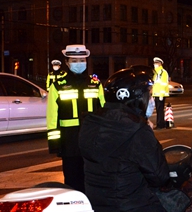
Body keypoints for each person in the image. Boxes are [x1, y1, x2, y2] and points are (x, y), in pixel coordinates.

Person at [79, 65, 170, 212]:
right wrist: (149, 133)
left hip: (97, 204)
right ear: (135, 98)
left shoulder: (91, 123)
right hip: (133, 205)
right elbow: (159, 176)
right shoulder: (137, 130)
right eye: (149, 95)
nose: (152, 100)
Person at [46, 44, 105, 193]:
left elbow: (105, 111)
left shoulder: (95, 84)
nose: (79, 63)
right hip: (69, 142)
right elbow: (52, 116)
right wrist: (55, 144)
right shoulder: (58, 86)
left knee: (93, 182)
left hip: (92, 141)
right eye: (74, 60)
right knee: (72, 183)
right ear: (66, 62)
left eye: (82, 60)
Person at [152, 57, 170, 130]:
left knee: (160, 110)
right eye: (154, 63)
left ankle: (160, 125)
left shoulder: (163, 72)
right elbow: (155, 84)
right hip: (156, 94)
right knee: (159, 110)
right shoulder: (156, 72)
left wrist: (161, 95)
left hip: (160, 95)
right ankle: (160, 123)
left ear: (160, 64)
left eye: (156, 63)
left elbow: (164, 84)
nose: (155, 64)